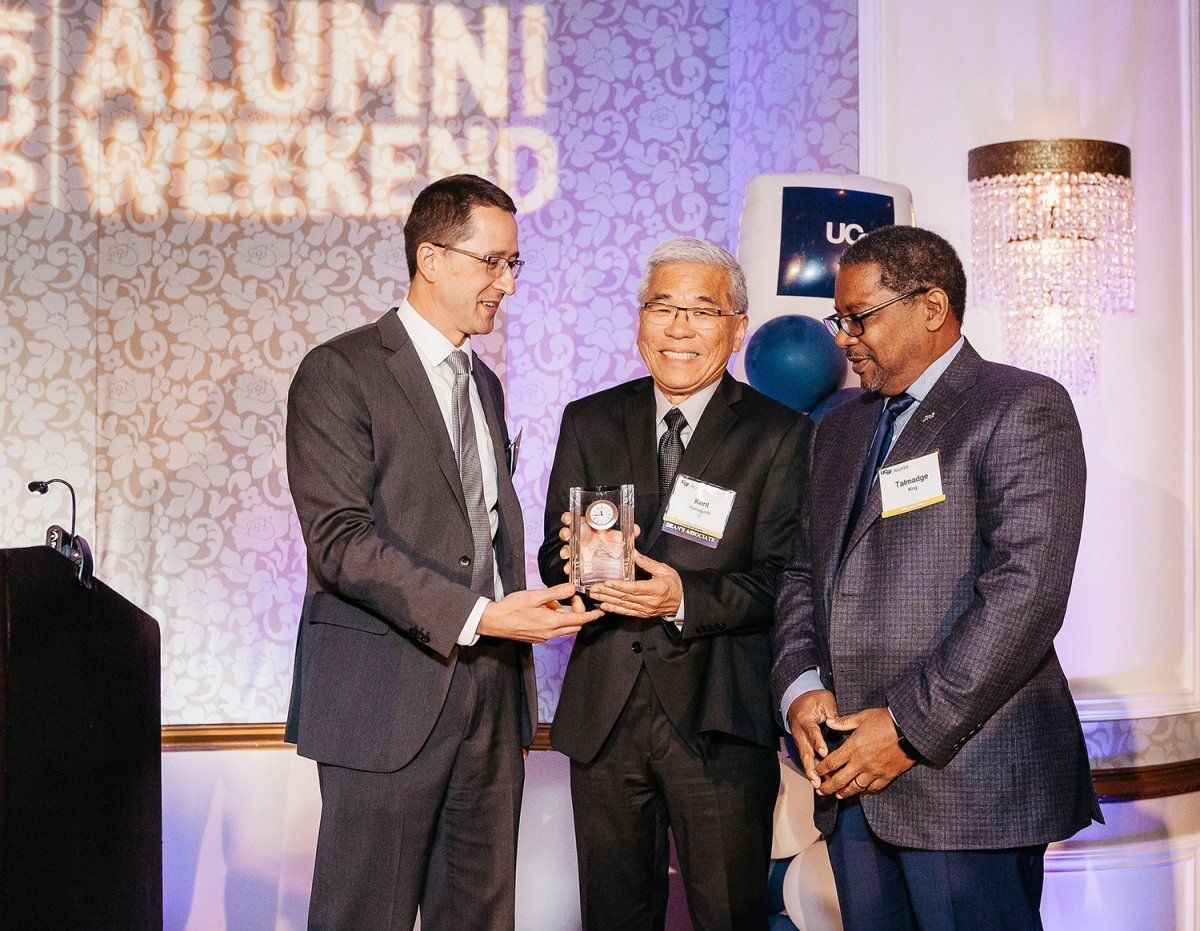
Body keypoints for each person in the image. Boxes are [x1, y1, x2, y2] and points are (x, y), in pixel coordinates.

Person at [285, 173, 599, 930]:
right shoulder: (340, 371)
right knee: (368, 915)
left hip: (490, 697)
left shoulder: (482, 384)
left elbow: (478, 534)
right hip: (385, 695)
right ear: (430, 258)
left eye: (514, 264)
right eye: (493, 262)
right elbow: (341, 543)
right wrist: (483, 615)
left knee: (480, 915)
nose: (507, 284)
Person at [772, 225, 1102, 930]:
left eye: (858, 317)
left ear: (931, 305)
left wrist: (907, 728)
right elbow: (803, 571)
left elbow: (1026, 595)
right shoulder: (838, 428)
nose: (843, 336)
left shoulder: (1021, 405)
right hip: (852, 781)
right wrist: (801, 687)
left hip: (966, 781)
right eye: (839, 318)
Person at [538, 237, 810, 929]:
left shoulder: (780, 434)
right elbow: (551, 555)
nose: (679, 328)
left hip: (718, 716)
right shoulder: (590, 418)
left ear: (736, 327)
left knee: (727, 912)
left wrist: (681, 598)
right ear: (639, 319)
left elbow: (788, 582)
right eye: (663, 307)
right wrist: (572, 566)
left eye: (701, 310)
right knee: (613, 915)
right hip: (606, 713)